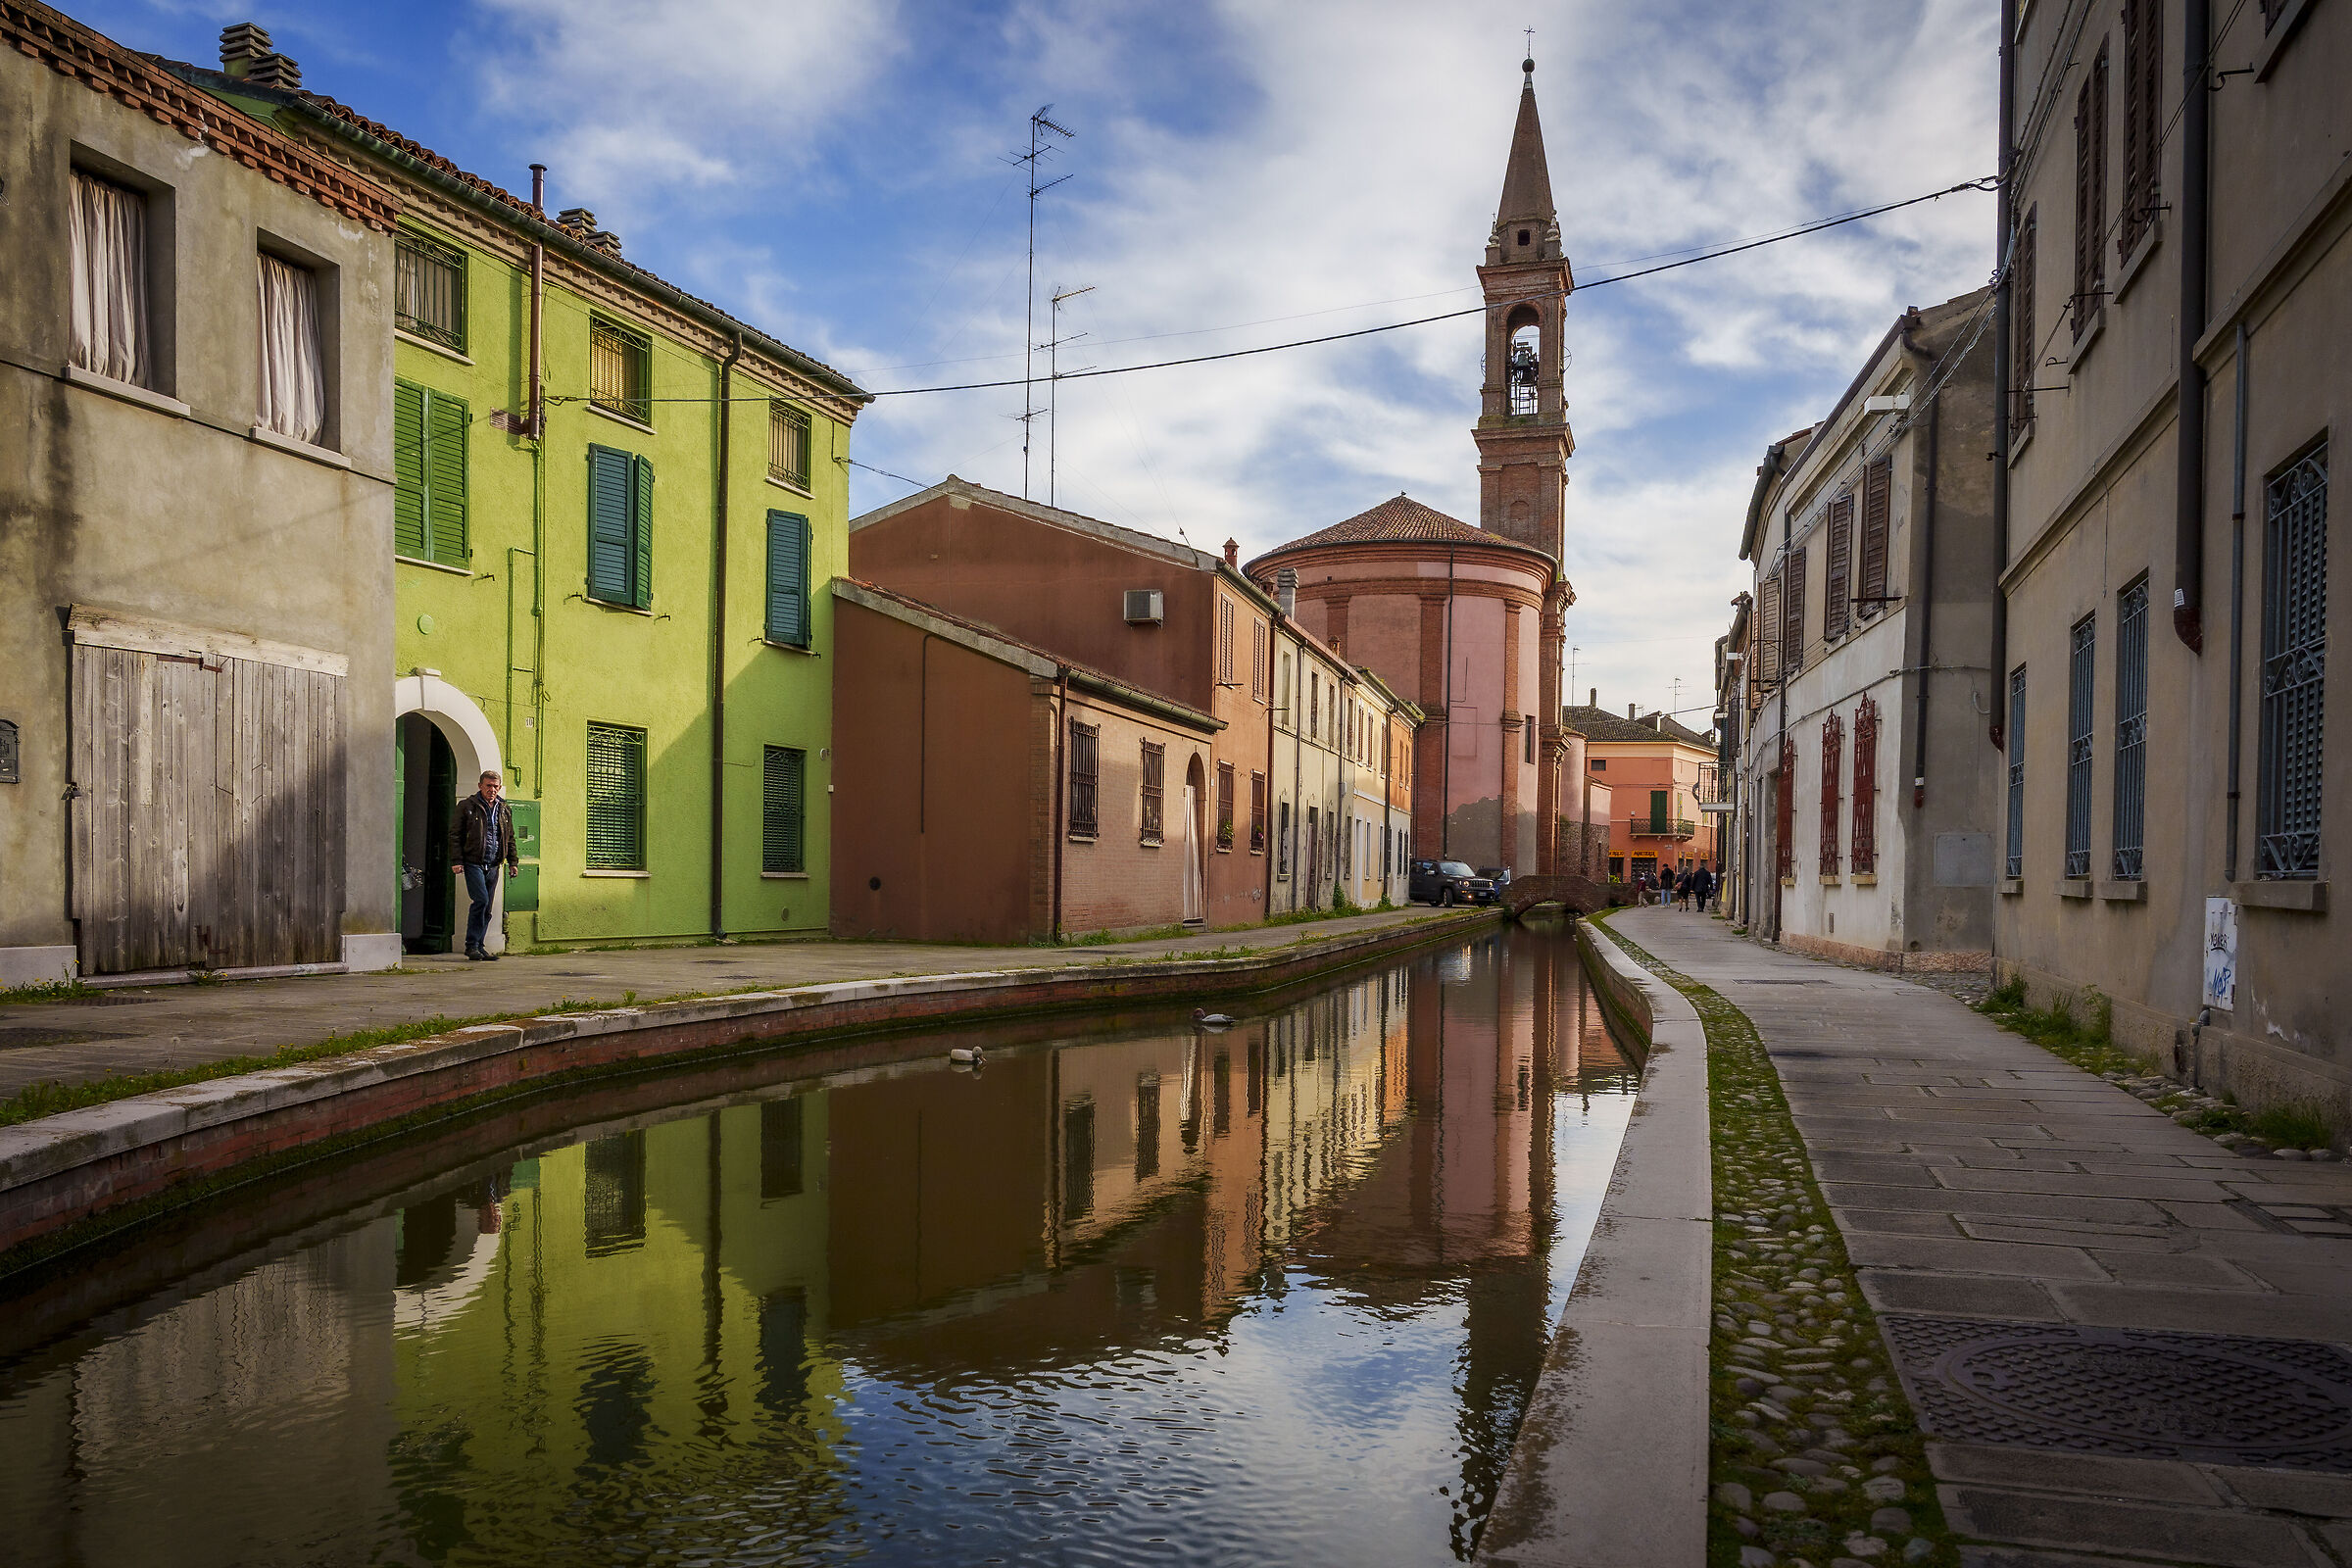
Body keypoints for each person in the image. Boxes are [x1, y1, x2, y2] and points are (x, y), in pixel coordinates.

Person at [451, 768, 518, 960]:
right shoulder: (467, 806)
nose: (492, 790)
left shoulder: (504, 809)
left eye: (496, 786)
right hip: (473, 862)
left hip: (494, 863)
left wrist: (513, 861)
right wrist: (457, 861)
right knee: (480, 900)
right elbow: (455, 835)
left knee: (487, 907)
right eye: (488, 786)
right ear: (480, 786)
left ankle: (479, 946)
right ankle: (471, 945)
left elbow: (509, 837)